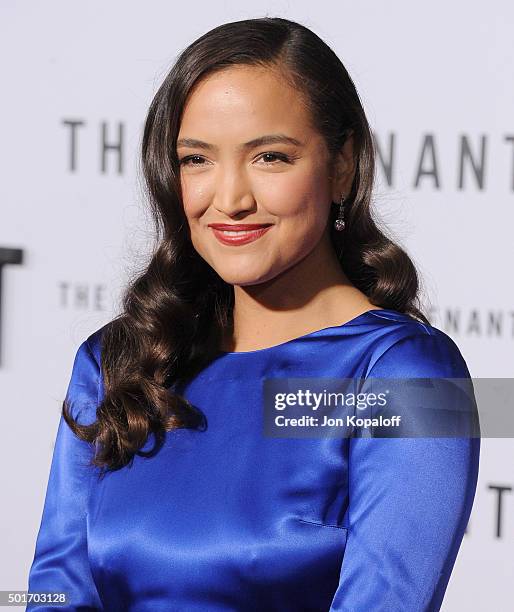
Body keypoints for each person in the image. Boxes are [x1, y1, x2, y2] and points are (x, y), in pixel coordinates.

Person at [26, 16, 480, 611]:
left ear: (342, 164)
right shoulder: (118, 359)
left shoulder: (415, 375)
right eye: (197, 160)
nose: (231, 199)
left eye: (270, 157)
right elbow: (52, 593)